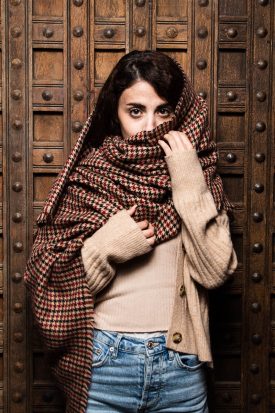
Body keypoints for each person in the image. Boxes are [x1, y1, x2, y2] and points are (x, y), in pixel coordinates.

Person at [24, 50, 237, 413]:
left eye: (163, 110)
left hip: (181, 367)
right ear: (116, 113)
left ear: (180, 113)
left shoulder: (198, 175)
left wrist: (186, 177)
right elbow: (54, 289)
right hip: (106, 365)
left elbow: (215, 272)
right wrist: (107, 246)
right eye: (135, 111)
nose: (151, 125)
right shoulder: (90, 177)